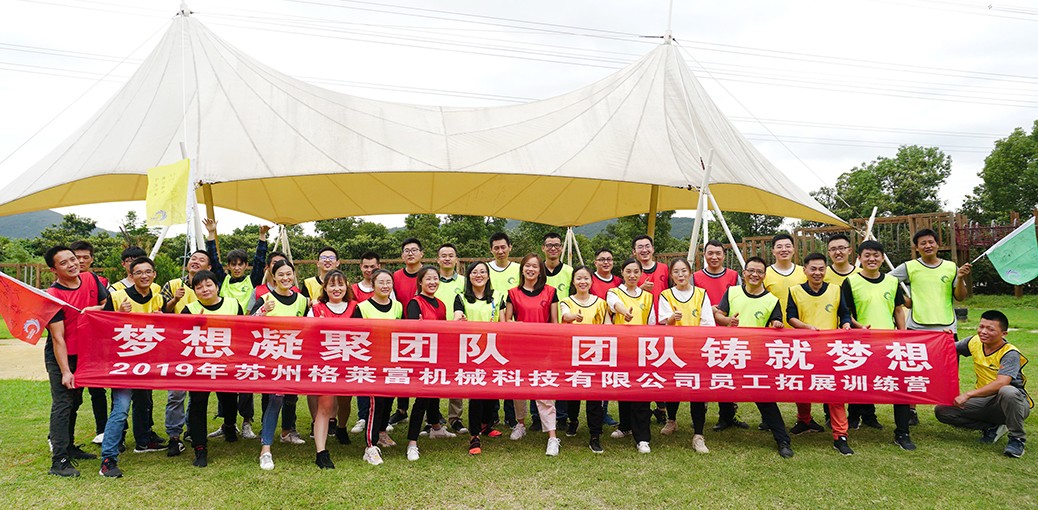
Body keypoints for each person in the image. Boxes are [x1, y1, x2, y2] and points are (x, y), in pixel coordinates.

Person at [714, 256, 795, 458]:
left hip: (756, 356)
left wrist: (777, 324)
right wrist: (727, 320)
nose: (754, 275)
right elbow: (719, 315)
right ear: (744, 273)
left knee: (764, 397)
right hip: (731, 351)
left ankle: (783, 440)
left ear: (764, 276)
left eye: (759, 272)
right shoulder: (732, 292)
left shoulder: (771, 300)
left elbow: (776, 321)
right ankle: (726, 418)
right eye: (751, 270)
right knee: (724, 387)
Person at [890, 228, 972, 425]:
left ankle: (949, 410)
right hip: (917, 328)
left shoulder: (951, 267)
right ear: (916, 248)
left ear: (937, 244)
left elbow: (960, 297)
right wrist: (905, 300)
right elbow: (886, 282)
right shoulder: (909, 267)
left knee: (948, 373)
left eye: (930, 242)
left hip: (946, 329)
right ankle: (911, 411)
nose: (927, 246)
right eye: (923, 243)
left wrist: (960, 278)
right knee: (912, 371)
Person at [841, 240, 915, 450]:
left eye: (876, 255)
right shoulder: (851, 282)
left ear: (882, 258)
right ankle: (854, 417)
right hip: (860, 344)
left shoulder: (891, 282)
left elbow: (898, 310)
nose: (871, 259)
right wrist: (858, 327)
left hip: (890, 344)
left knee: (898, 387)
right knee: (857, 383)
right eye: (867, 255)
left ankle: (902, 433)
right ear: (859, 258)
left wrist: (902, 335)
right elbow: (845, 313)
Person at [99, 256, 168, 477]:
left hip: (147, 363)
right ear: (131, 275)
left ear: (154, 274)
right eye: (138, 272)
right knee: (120, 409)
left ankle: (143, 441)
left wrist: (163, 319)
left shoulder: (159, 299)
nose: (144, 276)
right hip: (123, 363)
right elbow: (103, 328)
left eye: (148, 272)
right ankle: (108, 459)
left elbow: (168, 332)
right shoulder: (117, 297)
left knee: (144, 403)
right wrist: (119, 315)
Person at [43, 245, 106, 476]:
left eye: (73, 259)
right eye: (64, 263)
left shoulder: (90, 279)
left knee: (76, 401)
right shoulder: (53, 296)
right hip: (62, 355)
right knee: (63, 402)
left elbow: (108, 306)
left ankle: (69, 446)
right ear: (54, 270)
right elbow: (57, 337)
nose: (72, 264)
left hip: (86, 353)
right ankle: (59, 460)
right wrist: (65, 371)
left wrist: (94, 308)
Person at [934, 310, 1030, 458]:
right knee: (942, 411)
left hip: (1013, 403)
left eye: (990, 329)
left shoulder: (1010, 353)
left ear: (1004, 334)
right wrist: (943, 338)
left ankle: (1017, 439)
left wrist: (968, 394)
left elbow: (1001, 383)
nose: (983, 332)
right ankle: (992, 427)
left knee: (1007, 391)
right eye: (981, 327)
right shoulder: (974, 341)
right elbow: (947, 349)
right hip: (985, 400)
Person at [786, 253, 855, 455]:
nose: (817, 272)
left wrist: (846, 324)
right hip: (804, 349)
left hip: (831, 349)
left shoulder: (835, 289)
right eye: (813, 269)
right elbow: (791, 317)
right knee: (802, 387)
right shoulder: (795, 291)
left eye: (821, 269)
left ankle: (840, 436)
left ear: (826, 270)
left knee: (835, 393)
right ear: (805, 270)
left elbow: (844, 313)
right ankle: (804, 420)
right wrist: (806, 327)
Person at [205, 220, 267, 441]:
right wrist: (211, 234)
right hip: (224, 338)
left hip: (247, 338)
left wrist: (262, 237)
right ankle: (227, 422)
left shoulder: (252, 281)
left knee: (246, 379)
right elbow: (213, 260)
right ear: (229, 266)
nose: (237, 267)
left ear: (245, 266)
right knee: (223, 380)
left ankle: (247, 421)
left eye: (241, 264)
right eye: (233, 264)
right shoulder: (222, 281)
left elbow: (260, 261)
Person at [179, 270, 244, 467]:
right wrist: (195, 325)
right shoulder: (189, 310)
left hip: (227, 364)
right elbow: (181, 338)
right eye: (199, 287)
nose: (204, 290)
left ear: (217, 286)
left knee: (229, 399)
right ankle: (200, 447)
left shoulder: (233, 304)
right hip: (200, 367)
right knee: (198, 403)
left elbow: (243, 331)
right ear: (194, 290)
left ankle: (229, 425)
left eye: (208, 285)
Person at [251, 259, 310, 470]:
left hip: (294, 357)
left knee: (291, 397)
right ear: (273, 277)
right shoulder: (265, 299)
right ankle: (266, 448)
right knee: (275, 399)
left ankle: (287, 432)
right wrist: (261, 311)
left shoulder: (302, 300)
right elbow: (247, 324)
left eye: (289, 274)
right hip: (272, 358)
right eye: (281, 274)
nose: (286, 278)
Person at [159, 248, 215, 458]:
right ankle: (174, 436)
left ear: (209, 267)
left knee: (197, 394)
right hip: (177, 347)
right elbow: (162, 312)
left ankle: (193, 430)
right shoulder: (173, 285)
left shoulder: (211, 287)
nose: (195, 261)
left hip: (202, 348)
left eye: (201, 259)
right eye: (193, 258)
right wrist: (174, 300)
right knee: (176, 394)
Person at [504, 253, 562, 456]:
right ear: (522, 269)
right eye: (527, 266)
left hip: (543, 350)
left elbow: (554, 323)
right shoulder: (512, 293)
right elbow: (507, 321)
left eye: (534, 266)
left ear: (540, 271)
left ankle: (552, 436)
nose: (530, 269)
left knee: (545, 392)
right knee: (519, 389)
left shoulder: (550, 292)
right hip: (519, 349)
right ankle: (520, 424)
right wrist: (517, 325)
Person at [656, 257, 714, 453]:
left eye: (683, 271)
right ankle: (671, 420)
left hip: (696, 349)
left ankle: (698, 434)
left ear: (690, 272)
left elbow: (708, 322)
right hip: (674, 350)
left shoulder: (701, 294)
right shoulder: (666, 295)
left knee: (697, 391)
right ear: (671, 276)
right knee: (674, 388)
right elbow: (664, 322)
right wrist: (672, 319)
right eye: (676, 272)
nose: (680, 275)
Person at [403, 266, 458, 461]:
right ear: (420, 282)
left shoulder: (441, 304)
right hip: (421, 357)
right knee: (423, 398)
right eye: (428, 279)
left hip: (437, 354)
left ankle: (435, 427)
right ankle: (412, 442)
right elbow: (412, 331)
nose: (433, 282)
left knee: (434, 393)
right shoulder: (415, 303)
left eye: (435, 278)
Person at [692, 240, 747, 432]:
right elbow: (691, 302)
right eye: (710, 253)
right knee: (704, 375)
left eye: (718, 253)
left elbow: (741, 299)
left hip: (728, 333)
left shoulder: (733, 276)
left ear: (724, 255)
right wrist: (709, 309)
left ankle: (728, 415)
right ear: (704, 255)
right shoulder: (696, 277)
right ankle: (699, 416)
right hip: (704, 334)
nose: (714, 257)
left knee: (727, 374)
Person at [351, 269, 405, 466]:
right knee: (375, 403)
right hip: (371, 362)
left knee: (388, 400)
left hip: (391, 362)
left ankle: (382, 432)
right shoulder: (362, 307)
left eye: (388, 282)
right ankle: (370, 445)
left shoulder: (398, 306)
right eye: (381, 282)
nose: (385, 286)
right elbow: (355, 335)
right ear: (372, 285)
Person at [454, 261, 506, 455]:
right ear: (468, 276)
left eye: (483, 272)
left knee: (491, 392)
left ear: (488, 276)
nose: (479, 275)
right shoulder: (461, 297)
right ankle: (474, 436)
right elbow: (456, 318)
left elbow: (504, 322)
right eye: (474, 272)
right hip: (472, 352)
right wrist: (460, 321)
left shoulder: (498, 296)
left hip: (493, 350)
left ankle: (486, 425)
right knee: (476, 394)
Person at [308, 269, 357, 468]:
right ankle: (321, 452)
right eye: (332, 285)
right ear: (325, 288)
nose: (336, 289)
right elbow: (307, 334)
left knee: (345, 401)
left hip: (349, 363)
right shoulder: (316, 309)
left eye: (340, 284)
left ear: (346, 286)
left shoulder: (355, 307)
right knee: (325, 405)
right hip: (325, 363)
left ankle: (342, 428)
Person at [558, 265, 610, 453]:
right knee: (573, 393)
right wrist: (573, 317)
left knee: (595, 396)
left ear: (591, 281)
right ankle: (573, 421)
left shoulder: (601, 303)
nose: (582, 282)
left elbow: (608, 326)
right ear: (573, 281)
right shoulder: (566, 301)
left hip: (595, 355)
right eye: (579, 278)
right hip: (572, 354)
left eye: (586, 278)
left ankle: (595, 435)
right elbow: (565, 315)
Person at [607, 258, 656, 453]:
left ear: (641, 273)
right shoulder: (614, 292)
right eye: (628, 271)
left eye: (636, 271)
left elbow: (652, 324)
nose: (632, 275)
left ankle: (642, 437)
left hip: (641, 350)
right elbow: (614, 305)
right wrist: (625, 313)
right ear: (622, 272)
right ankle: (625, 426)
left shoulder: (648, 297)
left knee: (641, 392)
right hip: (621, 348)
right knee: (624, 388)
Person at [68, 239, 111, 446]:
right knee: (72, 395)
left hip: (93, 345)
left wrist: (94, 309)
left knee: (97, 389)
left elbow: (108, 305)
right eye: (76, 257)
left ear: (92, 259)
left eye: (85, 257)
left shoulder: (95, 280)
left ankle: (102, 430)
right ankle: (61, 437)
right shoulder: (61, 284)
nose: (81, 261)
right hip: (71, 347)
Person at [630, 235, 669, 423]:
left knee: (660, 367)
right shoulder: (632, 272)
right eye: (640, 247)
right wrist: (640, 287)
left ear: (653, 249)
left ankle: (662, 408)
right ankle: (641, 408)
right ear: (634, 252)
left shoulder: (664, 269)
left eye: (647, 246)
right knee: (640, 369)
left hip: (662, 325)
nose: (644, 250)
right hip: (638, 327)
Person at [388, 238, 424, 428]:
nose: (410, 253)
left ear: (421, 254)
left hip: (425, 330)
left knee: (425, 370)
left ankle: (431, 413)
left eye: (414, 250)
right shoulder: (395, 276)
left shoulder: (428, 274)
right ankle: (401, 410)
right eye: (407, 251)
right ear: (402, 256)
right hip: (401, 330)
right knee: (401, 369)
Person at [433, 243, 468, 434]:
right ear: (437, 259)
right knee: (434, 376)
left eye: (450, 255)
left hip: (457, 336)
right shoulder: (430, 279)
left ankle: (455, 418)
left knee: (457, 375)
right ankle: (433, 417)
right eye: (443, 255)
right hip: (435, 336)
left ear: (456, 259)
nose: (447, 259)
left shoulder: (464, 281)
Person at [488, 232, 520, 428]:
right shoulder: (485, 269)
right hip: (490, 328)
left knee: (510, 372)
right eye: (496, 248)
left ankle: (511, 415)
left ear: (510, 247)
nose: (500, 251)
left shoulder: (518, 269)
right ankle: (492, 415)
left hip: (512, 327)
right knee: (492, 372)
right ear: (491, 250)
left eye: (503, 247)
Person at [763, 233, 806, 328]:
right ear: (773, 251)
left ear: (793, 250)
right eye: (779, 247)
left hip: (801, 329)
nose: (784, 250)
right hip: (774, 329)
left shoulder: (804, 272)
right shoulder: (765, 274)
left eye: (788, 246)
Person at [543, 232, 573, 299]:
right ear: (543, 248)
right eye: (549, 245)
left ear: (561, 248)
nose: (553, 248)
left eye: (557, 245)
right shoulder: (536, 271)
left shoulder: (570, 271)